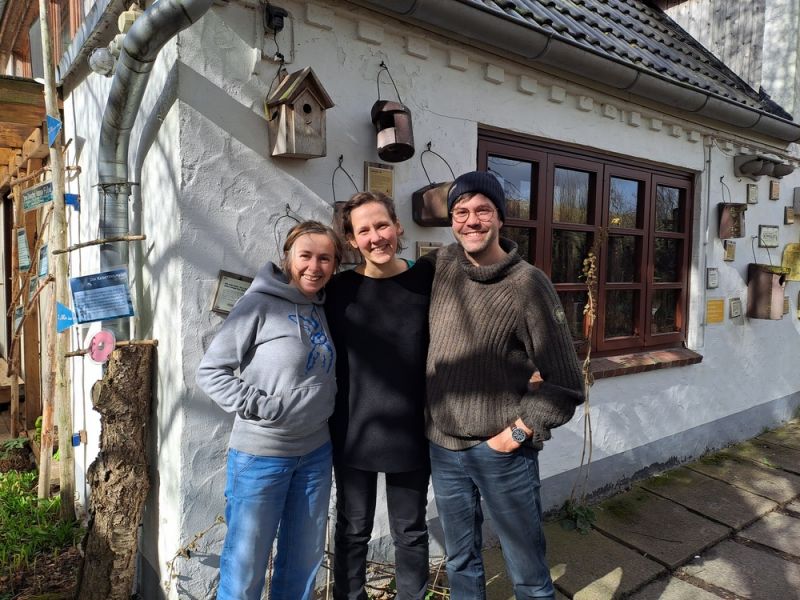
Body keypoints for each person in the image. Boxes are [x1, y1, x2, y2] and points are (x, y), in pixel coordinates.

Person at [425, 171, 585, 600]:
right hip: (444, 448)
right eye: (461, 212)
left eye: (482, 210)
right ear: (451, 220)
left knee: (527, 572)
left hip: (501, 452)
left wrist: (514, 434)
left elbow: (567, 383)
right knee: (460, 562)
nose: (471, 221)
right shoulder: (440, 267)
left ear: (500, 218)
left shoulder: (528, 284)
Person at [196, 221, 343, 600]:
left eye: (325, 258)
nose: (314, 266)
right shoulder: (257, 304)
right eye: (306, 256)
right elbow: (211, 372)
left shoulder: (321, 307)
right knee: (246, 566)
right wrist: (265, 406)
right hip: (261, 457)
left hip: (315, 454)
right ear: (288, 257)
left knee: (303, 563)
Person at [325, 191, 434, 600]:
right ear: (352, 240)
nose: (376, 237)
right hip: (353, 429)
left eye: (382, 225)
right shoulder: (338, 290)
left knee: (410, 531)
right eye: (364, 230)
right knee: (353, 530)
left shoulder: (427, 281)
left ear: (398, 226)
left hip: (412, 429)